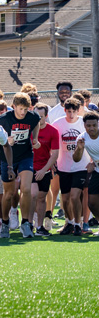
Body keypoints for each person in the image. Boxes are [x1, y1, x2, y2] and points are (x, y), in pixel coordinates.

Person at [0, 92, 41, 238]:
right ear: (13, 106)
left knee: (26, 189)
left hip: (25, 156)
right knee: (9, 194)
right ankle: (5, 223)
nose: (23, 112)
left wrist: (36, 139)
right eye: (20, 109)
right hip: (7, 158)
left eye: (25, 109)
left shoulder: (32, 117)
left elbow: (36, 122)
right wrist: (5, 140)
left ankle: (26, 223)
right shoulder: (4, 119)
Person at [53, 97, 90, 236]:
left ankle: (78, 224)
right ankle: (69, 222)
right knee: (65, 198)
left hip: (81, 165)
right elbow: (54, 144)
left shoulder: (83, 123)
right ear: (65, 111)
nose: (71, 114)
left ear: (78, 110)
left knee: (75, 196)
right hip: (64, 166)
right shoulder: (58, 124)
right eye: (68, 111)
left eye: (74, 111)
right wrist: (54, 162)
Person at [31, 103, 59, 237]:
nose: (39, 119)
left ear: (46, 116)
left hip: (45, 168)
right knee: (32, 194)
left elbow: (54, 154)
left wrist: (43, 170)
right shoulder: (29, 130)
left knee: (41, 197)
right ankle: (28, 223)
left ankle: (40, 226)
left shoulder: (53, 131)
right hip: (29, 168)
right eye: (36, 116)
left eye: (41, 116)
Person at [72, 111, 99, 236]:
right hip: (97, 172)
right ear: (84, 126)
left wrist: (93, 163)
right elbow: (76, 158)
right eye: (89, 126)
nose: (92, 128)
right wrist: (80, 148)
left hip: (96, 168)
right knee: (92, 203)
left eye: (94, 125)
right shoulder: (82, 138)